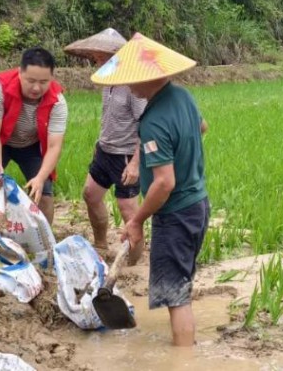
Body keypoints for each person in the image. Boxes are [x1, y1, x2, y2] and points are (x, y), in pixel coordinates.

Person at [91, 33, 209, 347]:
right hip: (199, 205)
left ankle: (183, 359)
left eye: (131, 79)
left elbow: (164, 182)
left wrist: (136, 220)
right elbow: (201, 127)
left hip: (177, 214)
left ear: (146, 78)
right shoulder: (182, 96)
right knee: (180, 283)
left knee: (175, 296)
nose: (128, 86)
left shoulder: (153, 119)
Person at [64, 28, 147, 265]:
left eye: (103, 57)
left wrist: (135, 162)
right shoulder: (107, 81)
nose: (97, 61)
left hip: (125, 155)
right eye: (96, 57)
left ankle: (132, 263)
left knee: (129, 212)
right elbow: (109, 117)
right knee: (90, 194)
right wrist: (99, 144)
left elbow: (146, 125)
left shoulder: (134, 87)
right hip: (105, 151)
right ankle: (100, 244)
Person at [0, 47, 67, 225]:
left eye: (43, 82)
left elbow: (54, 146)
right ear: (19, 73)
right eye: (30, 80)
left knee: (44, 192)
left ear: (52, 78)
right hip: (1, 141)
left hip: (31, 146)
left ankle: (44, 244)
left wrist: (39, 179)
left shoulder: (58, 101)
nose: (36, 87)